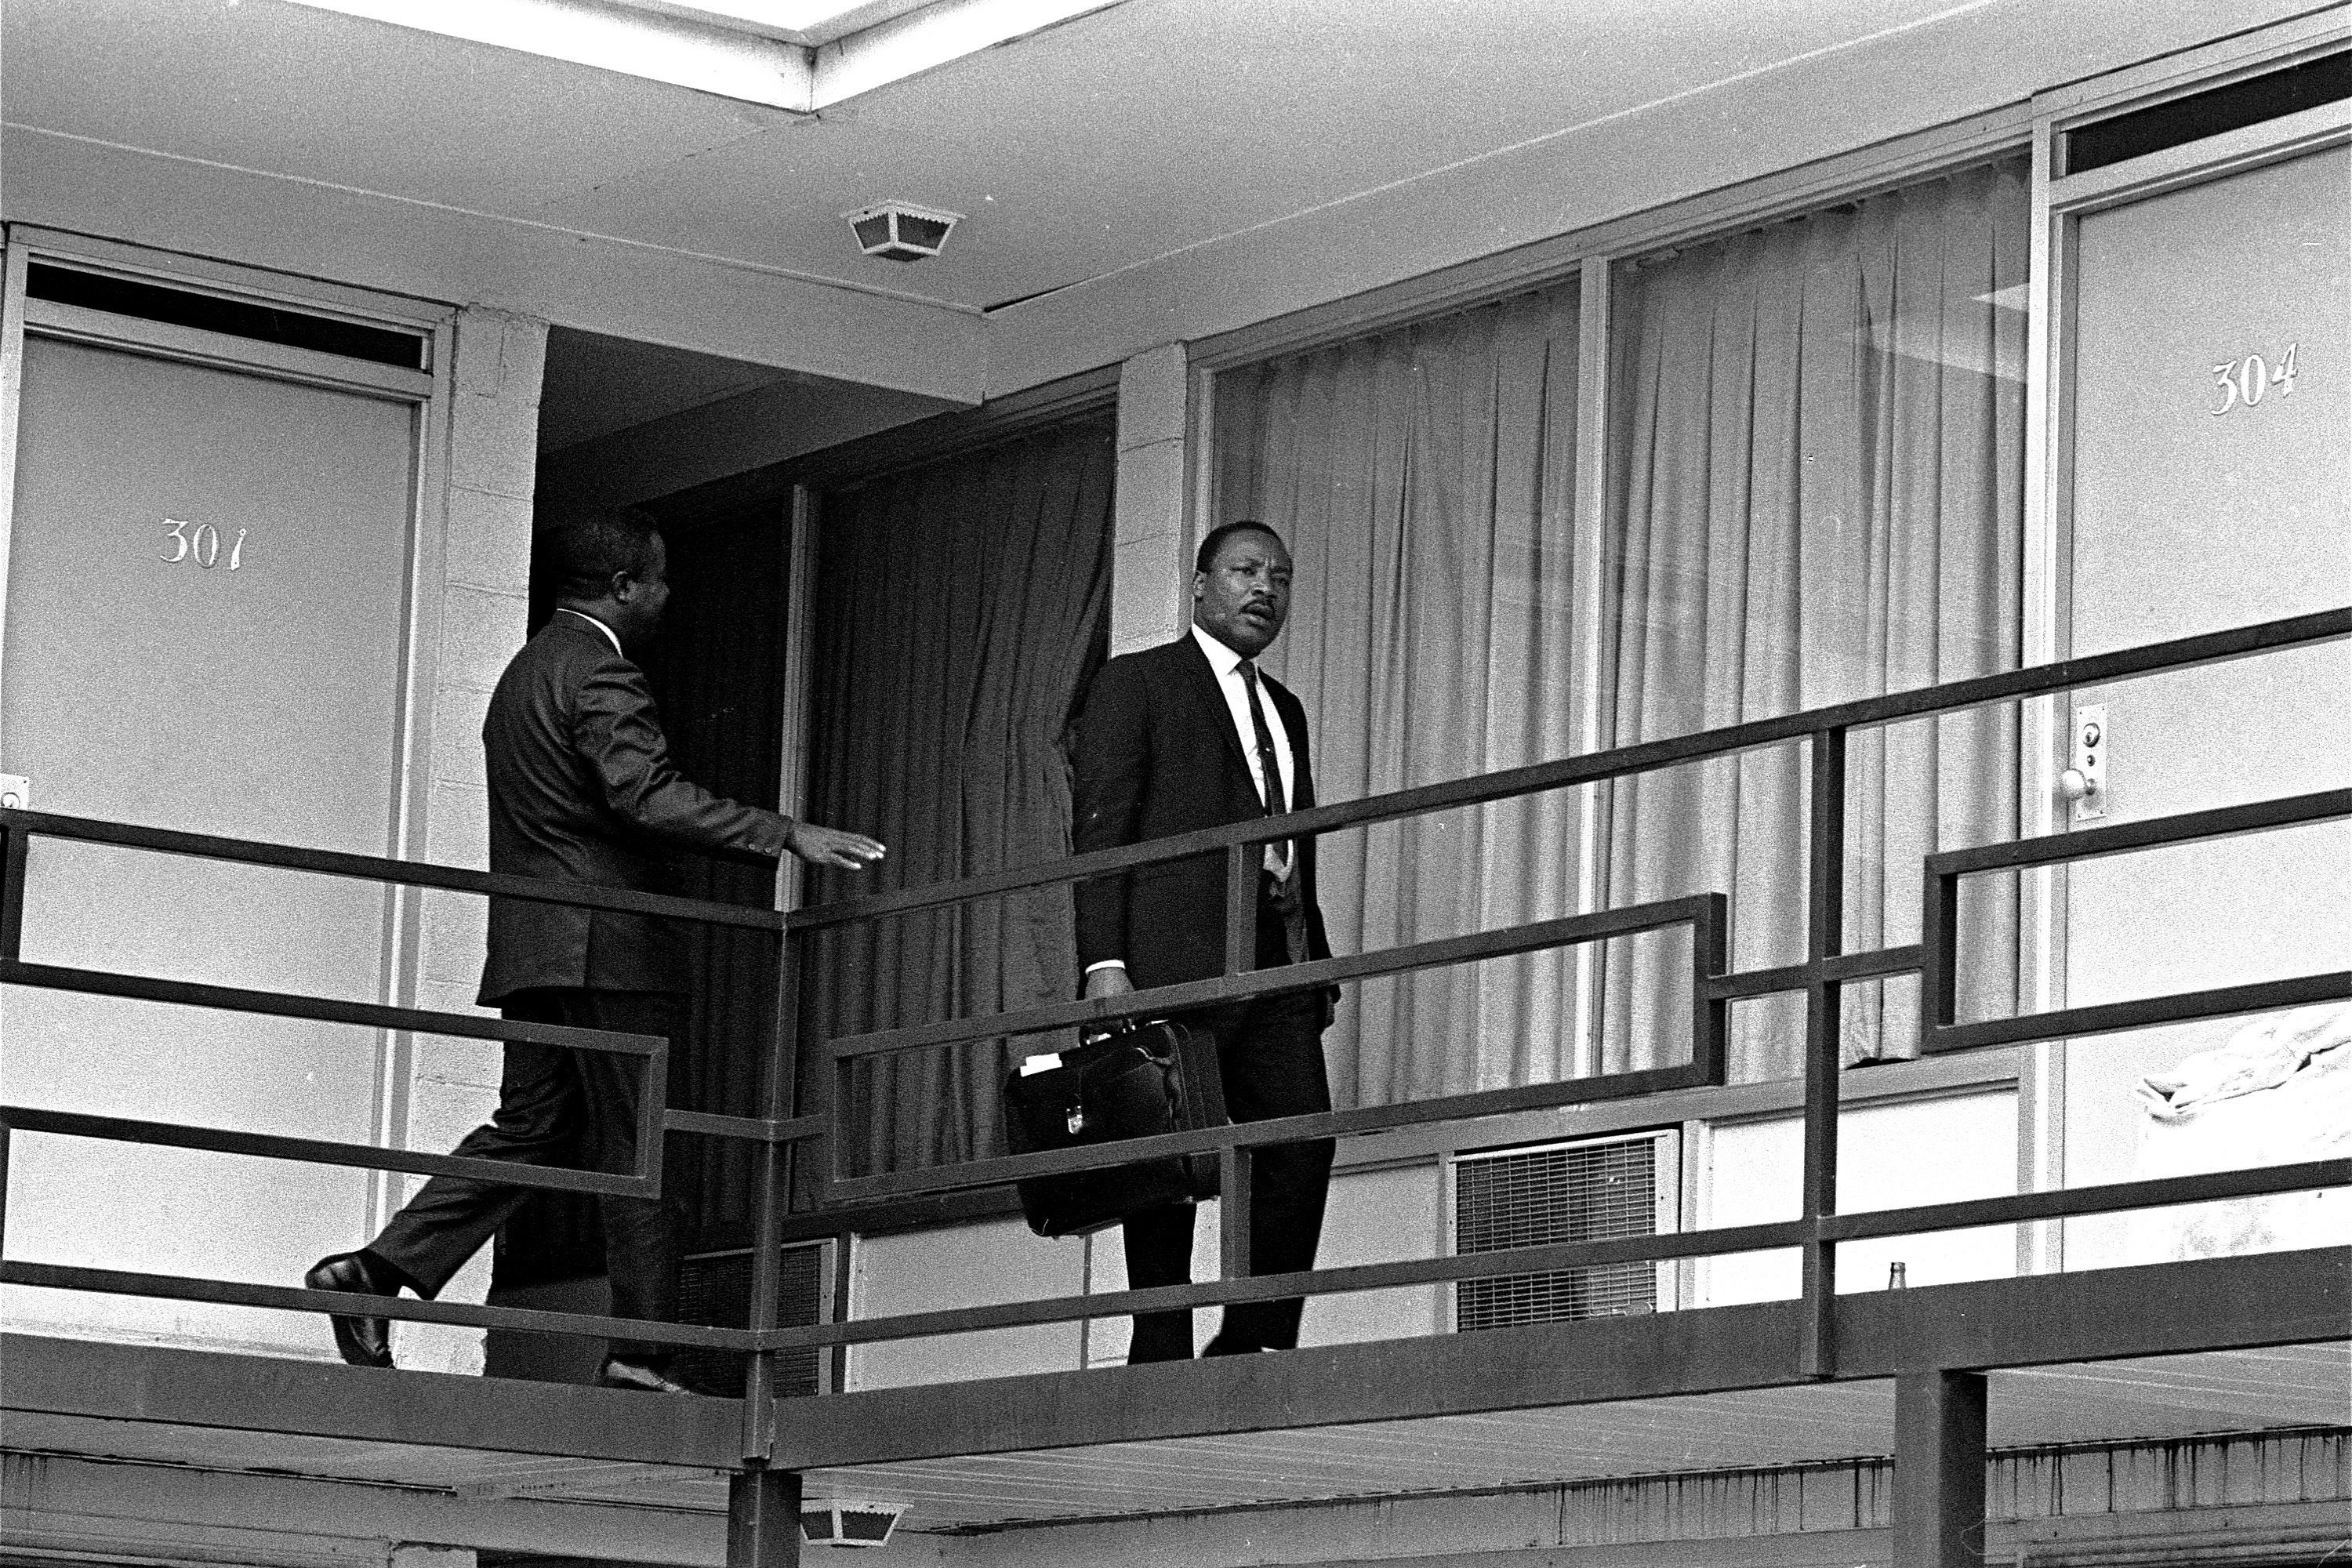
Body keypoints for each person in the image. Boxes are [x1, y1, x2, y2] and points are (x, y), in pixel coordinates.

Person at [307, 506, 884, 1392]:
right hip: (611, 950)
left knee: (533, 1129)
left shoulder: (523, 673)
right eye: (658, 580)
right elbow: (645, 795)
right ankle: (640, 1352)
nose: (666, 597)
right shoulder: (602, 672)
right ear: (622, 587)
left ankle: (375, 1273)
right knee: (640, 1143)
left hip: (538, 950)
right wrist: (785, 832)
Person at [1070, 520, 1338, 1361]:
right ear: (1199, 583)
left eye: (1282, 577)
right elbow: (1104, 827)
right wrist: (1104, 962)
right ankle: (1160, 1349)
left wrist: (1314, 958)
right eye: (1247, 570)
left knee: (1300, 1140)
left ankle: (1256, 1340)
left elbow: (1293, 838)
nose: (1265, 589)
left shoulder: (1284, 706)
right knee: (1166, 1151)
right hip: (1172, 958)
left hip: (1277, 957)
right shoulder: (1138, 682)